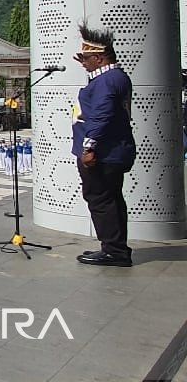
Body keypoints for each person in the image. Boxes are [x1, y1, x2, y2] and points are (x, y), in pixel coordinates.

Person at [73, 23, 136, 267]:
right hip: (112, 150)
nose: (83, 62)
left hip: (103, 153)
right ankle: (115, 247)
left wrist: (89, 148)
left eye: (86, 58)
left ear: (99, 58)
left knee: (101, 199)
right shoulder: (114, 77)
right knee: (111, 199)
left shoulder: (107, 81)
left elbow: (101, 115)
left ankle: (114, 250)